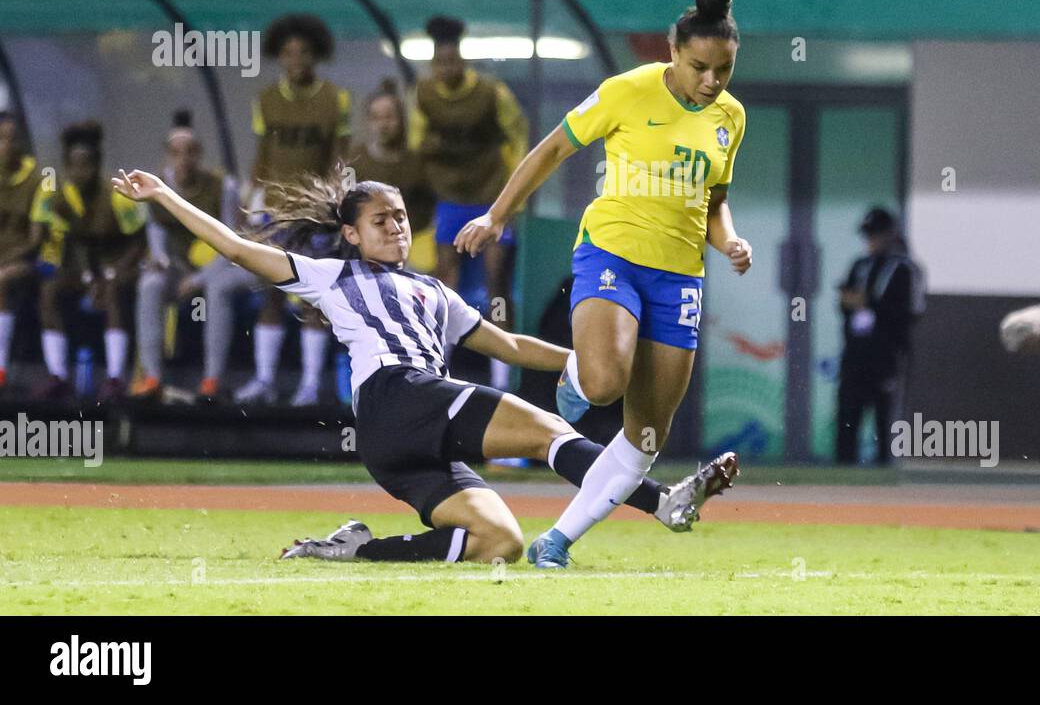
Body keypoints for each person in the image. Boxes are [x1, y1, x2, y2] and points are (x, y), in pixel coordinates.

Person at [111, 165, 737, 564]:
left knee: (501, 545)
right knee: (551, 435)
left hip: (402, 441)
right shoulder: (333, 276)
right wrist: (164, 194)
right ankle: (662, 502)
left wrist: (589, 360)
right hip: (399, 395)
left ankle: (358, 550)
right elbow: (241, 250)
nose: (396, 227)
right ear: (351, 234)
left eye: (402, 218)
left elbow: (511, 347)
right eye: (380, 220)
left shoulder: (436, 292)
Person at [456, 0, 751, 568]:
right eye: (700, 68)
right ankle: (576, 378)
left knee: (646, 436)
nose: (711, 82)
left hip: (680, 279)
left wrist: (731, 241)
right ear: (674, 52)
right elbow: (550, 151)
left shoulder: (730, 118)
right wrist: (495, 216)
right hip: (612, 253)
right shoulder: (625, 92)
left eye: (723, 70)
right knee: (605, 383)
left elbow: (714, 202)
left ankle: (555, 542)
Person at [237, 14, 352, 407]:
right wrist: (250, 201)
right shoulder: (266, 99)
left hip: (315, 213)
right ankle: (265, 380)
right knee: (271, 294)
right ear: (279, 57)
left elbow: (340, 159)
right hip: (275, 212)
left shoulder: (334, 99)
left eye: (303, 52)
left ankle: (308, 386)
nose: (296, 59)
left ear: (315, 56)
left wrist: (337, 204)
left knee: (311, 298)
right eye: (288, 53)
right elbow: (262, 157)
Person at [408, 15, 527, 390]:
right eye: (440, 62)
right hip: (451, 200)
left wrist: (515, 194)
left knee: (497, 282)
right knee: (447, 284)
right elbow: (416, 143)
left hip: (491, 200)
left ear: (462, 60)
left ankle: (503, 377)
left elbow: (519, 134)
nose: (448, 68)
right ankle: (440, 370)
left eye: (453, 60)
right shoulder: (424, 95)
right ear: (433, 64)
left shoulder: (491, 93)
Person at [32, 121, 146, 402]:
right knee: (49, 292)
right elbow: (63, 243)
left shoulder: (117, 195)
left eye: (86, 165)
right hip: (81, 269)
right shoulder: (57, 195)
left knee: (113, 292)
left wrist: (110, 274)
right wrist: (85, 277)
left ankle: (115, 378)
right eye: (74, 166)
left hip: (119, 267)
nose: (80, 173)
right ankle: (58, 375)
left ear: (97, 166)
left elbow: (139, 244)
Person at [132, 111, 241, 400]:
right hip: (181, 268)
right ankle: (152, 377)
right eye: (176, 153)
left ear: (200, 155)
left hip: (221, 264)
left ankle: (211, 381)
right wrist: (163, 263)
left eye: (191, 152)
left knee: (217, 290)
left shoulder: (222, 186)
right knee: (150, 285)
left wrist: (198, 279)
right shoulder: (156, 187)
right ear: (167, 156)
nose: (184, 160)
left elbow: (233, 244)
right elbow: (157, 238)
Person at [835, 207, 925, 466]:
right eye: (868, 235)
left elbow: (911, 310)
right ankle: (844, 464)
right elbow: (845, 303)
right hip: (856, 352)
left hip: (886, 353)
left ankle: (886, 465)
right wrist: (852, 302)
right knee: (848, 410)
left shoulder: (905, 269)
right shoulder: (860, 265)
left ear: (890, 235)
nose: (871, 241)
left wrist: (871, 304)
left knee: (885, 415)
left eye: (876, 235)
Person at [351, 80, 436, 275]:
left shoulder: (418, 161)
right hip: (367, 248)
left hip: (415, 243)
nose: (383, 125)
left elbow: (431, 207)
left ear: (401, 120)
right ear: (368, 122)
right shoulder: (354, 161)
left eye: (389, 117)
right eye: (376, 118)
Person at [0, 112, 46, 391]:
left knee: (2, 280)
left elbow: (36, 240)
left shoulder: (40, 180)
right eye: (1, 138)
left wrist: (4, 261)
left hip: (27, 263)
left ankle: (1, 368)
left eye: (12, 139)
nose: (7, 145)